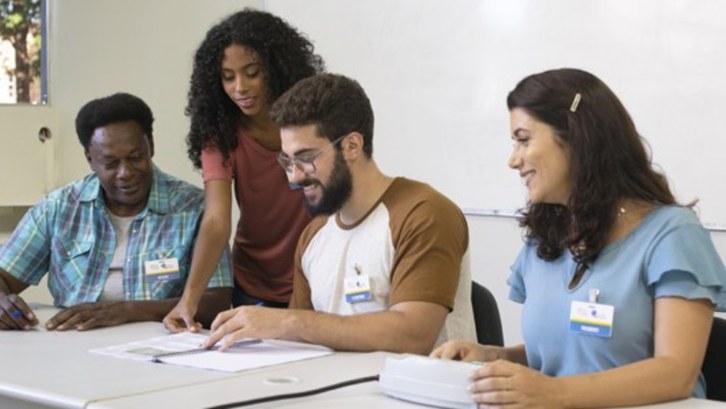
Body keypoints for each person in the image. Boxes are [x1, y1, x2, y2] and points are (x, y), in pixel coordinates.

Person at [432, 68, 726, 406]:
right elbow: (565, 355)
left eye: (523, 139)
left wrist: (554, 393)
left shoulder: (672, 235)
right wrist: (491, 356)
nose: (513, 160)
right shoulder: (544, 239)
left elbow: (676, 374)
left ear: (575, 137)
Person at [203, 73, 476, 354]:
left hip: (418, 394)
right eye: (287, 160)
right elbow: (296, 343)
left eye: (305, 159)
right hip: (334, 392)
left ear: (351, 146)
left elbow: (413, 336)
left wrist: (290, 321)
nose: (294, 177)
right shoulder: (314, 234)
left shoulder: (424, 214)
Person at [0, 93, 232, 331]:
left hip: (158, 349)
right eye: (111, 164)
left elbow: (217, 301)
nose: (125, 172)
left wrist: (128, 311)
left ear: (151, 146)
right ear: (90, 159)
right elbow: (4, 276)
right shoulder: (58, 208)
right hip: (72, 350)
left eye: (135, 157)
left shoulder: (193, 208)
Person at [163, 9, 325, 332]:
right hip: (254, 285)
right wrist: (188, 301)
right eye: (227, 76)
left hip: (316, 275)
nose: (240, 87)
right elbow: (217, 220)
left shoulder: (315, 120)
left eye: (252, 72)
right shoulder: (220, 134)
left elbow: (330, 208)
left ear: (277, 68)